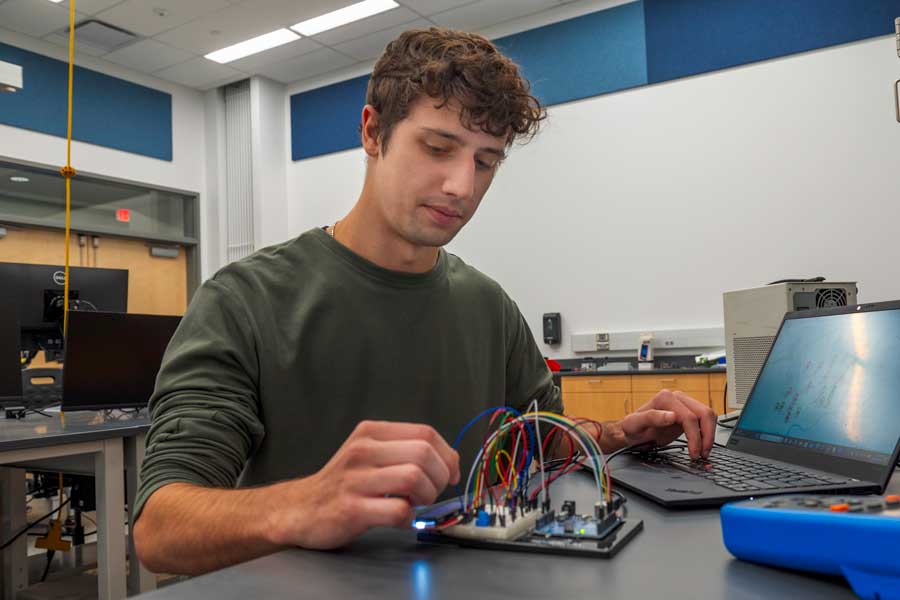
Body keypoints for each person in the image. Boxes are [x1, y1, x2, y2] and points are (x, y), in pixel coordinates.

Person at [133, 27, 716, 575]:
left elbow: (542, 441)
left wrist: (622, 433)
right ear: (372, 131)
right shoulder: (244, 301)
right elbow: (160, 528)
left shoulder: (488, 306)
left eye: (484, 162)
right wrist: (304, 505)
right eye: (439, 148)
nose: (462, 186)